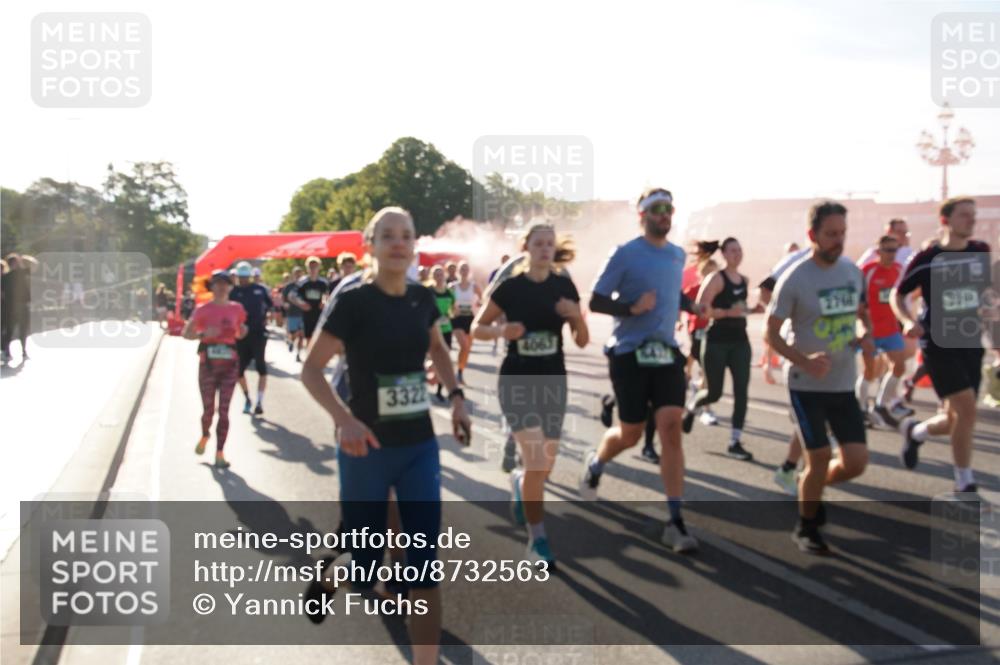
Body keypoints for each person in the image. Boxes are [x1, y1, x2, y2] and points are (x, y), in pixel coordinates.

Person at [300, 207, 470, 665]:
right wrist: (344, 419)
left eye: (406, 236)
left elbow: (437, 346)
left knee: (423, 568)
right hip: (365, 446)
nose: (398, 243)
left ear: (415, 245)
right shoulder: (353, 300)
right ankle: (331, 575)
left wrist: (456, 396)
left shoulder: (421, 298)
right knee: (366, 559)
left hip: (418, 447)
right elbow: (312, 370)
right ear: (370, 245)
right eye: (388, 236)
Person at [580, 187, 697, 553]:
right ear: (642, 215)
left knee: (671, 428)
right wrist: (631, 308)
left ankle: (675, 521)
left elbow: (673, 296)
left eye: (669, 209)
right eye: (657, 209)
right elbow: (596, 300)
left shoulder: (677, 256)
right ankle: (597, 462)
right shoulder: (625, 253)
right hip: (629, 353)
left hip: (665, 354)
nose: (664, 215)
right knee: (630, 434)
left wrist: (695, 306)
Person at [472, 223, 588, 566]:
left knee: (544, 466)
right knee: (537, 459)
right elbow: (477, 328)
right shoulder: (510, 288)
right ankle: (537, 541)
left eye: (549, 244)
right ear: (526, 247)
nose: (544, 249)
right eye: (538, 243)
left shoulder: (564, 286)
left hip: (553, 381)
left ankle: (521, 481)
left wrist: (575, 318)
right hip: (517, 380)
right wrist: (501, 330)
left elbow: (581, 340)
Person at [767, 200, 873, 554]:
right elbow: (771, 334)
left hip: (843, 382)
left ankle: (807, 488)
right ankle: (806, 526)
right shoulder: (794, 279)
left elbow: (860, 314)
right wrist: (805, 361)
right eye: (831, 234)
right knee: (820, 455)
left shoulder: (851, 272)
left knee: (856, 462)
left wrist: (863, 335)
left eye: (842, 233)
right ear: (812, 235)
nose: (838, 240)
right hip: (805, 383)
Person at [894, 197, 990, 498]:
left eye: (973, 216)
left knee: (955, 419)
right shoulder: (928, 258)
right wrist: (908, 320)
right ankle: (964, 482)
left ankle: (915, 431)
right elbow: (898, 295)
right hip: (938, 344)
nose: (971, 221)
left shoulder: (980, 252)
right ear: (946, 220)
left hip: (971, 343)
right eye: (964, 215)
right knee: (967, 412)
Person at [683, 237, 763, 460]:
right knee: (714, 392)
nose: (737, 254)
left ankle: (735, 441)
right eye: (732, 251)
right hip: (717, 341)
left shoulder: (744, 280)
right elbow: (702, 310)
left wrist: (752, 310)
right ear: (724, 254)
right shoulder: (716, 279)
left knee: (742, 393)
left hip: (740, 341)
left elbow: (739, 309)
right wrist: (728, 313)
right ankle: (691, 407)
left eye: (739, 250)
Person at [183, 270, 248, 469]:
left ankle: (220, 453)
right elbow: (186, 334)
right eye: (217, 283)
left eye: (225, 284)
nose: (221, 287)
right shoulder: (202, 310)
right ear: (211, 287)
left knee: (225, 411)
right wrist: (203, 333)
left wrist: (243, 332)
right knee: (208, 410)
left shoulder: (237, 308)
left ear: (230, 287)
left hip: (230, 365)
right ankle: (205, 434)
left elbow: (240, 332)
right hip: (208, 365)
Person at [858, 235, 914, 428]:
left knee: (899, 367)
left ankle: (881, 405)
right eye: (888, 250)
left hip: (890, 329)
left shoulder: (899, 271)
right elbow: (858, 301)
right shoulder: (868, 271)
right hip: (871, 330)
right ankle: (861, 409)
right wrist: (863, 326)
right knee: (869, 371)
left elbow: (904, 297)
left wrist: (907, 320)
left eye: (894, 250)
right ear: (878, 251)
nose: (891, 254)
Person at [229, 261, 273, 416]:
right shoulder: (232, 292)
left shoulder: (260, 290)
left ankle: (260, 401)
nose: (244, 279)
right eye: (241, 277)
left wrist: (269, 315)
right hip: (239, 336)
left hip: (258, 334)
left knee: (261, 367)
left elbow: (271, 305)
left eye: (246, 276)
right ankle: (247, 398)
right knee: (238, 371)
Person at [450, 262, 482, 385]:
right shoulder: (453, 286)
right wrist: (452, 310)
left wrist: (479, 304)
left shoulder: (474, 286)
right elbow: (448, 302)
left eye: (466, 269)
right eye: (462, 269)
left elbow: (483, 300)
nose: (464, 271)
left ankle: (460, 371)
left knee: (467, 349)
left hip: (470, 318)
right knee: (463, 345)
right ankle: (457, 372)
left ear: (469, 271)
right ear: (459, 271)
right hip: (457, 319)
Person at [289, 257, 329, 349]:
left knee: (320, 337)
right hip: (306, 314)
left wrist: (324, 301)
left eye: (315, 266)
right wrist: (301, 304)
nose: (313, 269)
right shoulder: (302, 282)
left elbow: (327, 295)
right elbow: (291, 296)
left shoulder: (323, 282)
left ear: (319, 267)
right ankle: (309, 357)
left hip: (320, 313)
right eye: (311, 267)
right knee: (308, 337)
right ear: (307, 268)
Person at [428, 266, 456, 401]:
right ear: (432, 277)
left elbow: (455, 311)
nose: (439, 277)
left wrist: (448, 317)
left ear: (444, 276)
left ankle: (439, 389)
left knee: (443, 358)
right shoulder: (428, 292)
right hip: (430, 330)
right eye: (436, 274)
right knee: (431, 359)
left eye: (440, 274)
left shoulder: (450, 293)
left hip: (446, 329)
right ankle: (430, 373)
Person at [283, 266, 306, 361]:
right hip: (292, 314)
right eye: (296, 273)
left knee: (301, 335)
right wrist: (285, 304)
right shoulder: (289, 286)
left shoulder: (306, 285)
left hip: (303, 314)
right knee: (294, 334)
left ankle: (298, 354)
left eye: (300, 273)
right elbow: (283, 298)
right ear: (293, 275)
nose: (298, 275)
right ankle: (291, 341)